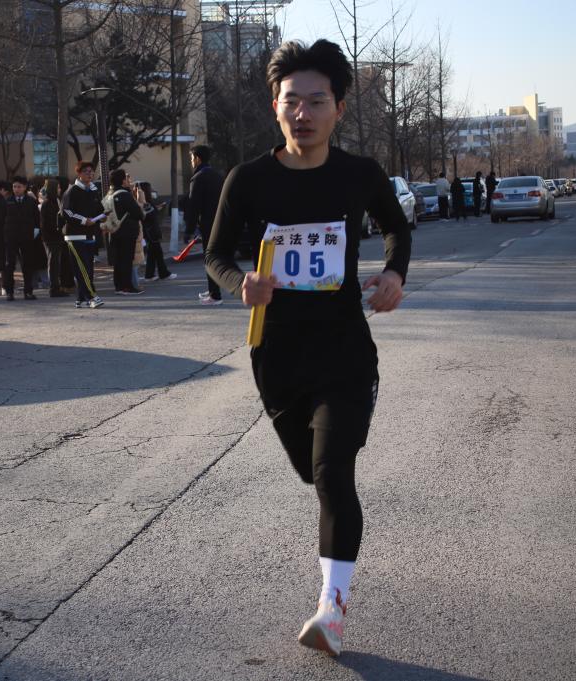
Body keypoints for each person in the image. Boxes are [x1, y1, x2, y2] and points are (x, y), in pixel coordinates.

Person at [205, 39, 411, 658]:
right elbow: (215, 254)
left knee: (332, 472)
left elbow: (397, 228)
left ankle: (331, 610)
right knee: (311, 471)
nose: (303, 113)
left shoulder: (360, 174)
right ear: (275, 107)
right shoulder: (248, 180)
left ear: (338, 109)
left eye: (316, 101)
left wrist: (394, 273)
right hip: (277, 356)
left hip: (344, 350)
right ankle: (332, 590)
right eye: (291, 101)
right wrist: (240, 282)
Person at [61, 161, 106, 308]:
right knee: (82, 269)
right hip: (75, 236)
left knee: (89, 269)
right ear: (79, 174)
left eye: (91, 171)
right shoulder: (71, 191)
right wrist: (83, 220)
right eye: (86, 171)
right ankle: (92, 297)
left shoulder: (93, 190)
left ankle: (80, 298)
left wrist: (103, 216)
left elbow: (99, 209)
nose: (90, 174)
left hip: (90, 235)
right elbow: (66, 212)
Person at [185, 145, 225, 306]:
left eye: (191, 158)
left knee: (210, 259)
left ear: (197, 159)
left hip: (208, 224)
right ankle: (212, 289)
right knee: (214, 257)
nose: (191, 161)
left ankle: (215, 296)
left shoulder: (198, 178)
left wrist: (189, 230)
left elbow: (193, 206)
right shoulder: (217, 175)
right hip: (220, 222)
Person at [104, 168, 146, 295]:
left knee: (118, 260)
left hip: (113, 231)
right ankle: (127, 286)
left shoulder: (109, 195)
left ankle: (118, 286)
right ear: (123, 181)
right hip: (127, 232)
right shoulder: (125, 195)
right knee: (127, 259)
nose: (128, 181)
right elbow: (138, 213)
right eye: (126, 178)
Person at [1, 177, 40, 301]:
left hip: (26, 237)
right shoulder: (7, 201)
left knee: (27, 264)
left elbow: (37, 218)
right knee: (9, 265)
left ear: (24, 187)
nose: (16, 189)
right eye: (14, 187)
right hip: (10, 237)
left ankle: (28, 291)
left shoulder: (31, 201)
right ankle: (9, 292)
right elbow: (1, 219)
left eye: (19, 187)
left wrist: (36, 230)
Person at [40, 178, 70, 297]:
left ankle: (57, 286)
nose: (59, 189)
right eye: (57, 187)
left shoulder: (55, 201)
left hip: (56, 237)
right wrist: (59, 230)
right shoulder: (48, 203)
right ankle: (54, 288)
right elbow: (48, 223)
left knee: (56, 263)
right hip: (52, 238)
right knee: (53, 263)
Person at [140, 181, 176, 282]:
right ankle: (164, 273)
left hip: (151, 232)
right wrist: (156, 209)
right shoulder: (145, 203)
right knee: (158, 253)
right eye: (149, 189)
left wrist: (157, 208)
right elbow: (149, 215)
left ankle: (149, 274)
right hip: (151, 232)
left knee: (152, 254)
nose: (151, 191)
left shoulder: (146, 202)